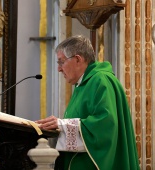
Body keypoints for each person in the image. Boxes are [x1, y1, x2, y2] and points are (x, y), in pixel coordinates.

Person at [35, 35, 140, 170]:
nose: (59, 69)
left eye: (61, 62)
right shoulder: (84, 84)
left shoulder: (101, 80)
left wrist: (62, 124)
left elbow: (105, 125)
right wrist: (60, 126)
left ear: (77, 59)